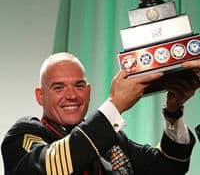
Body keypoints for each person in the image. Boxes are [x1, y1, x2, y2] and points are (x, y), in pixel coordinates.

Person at [1, 52, 200, 175]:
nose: (71, 95)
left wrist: (173, 112)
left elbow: (168, 168)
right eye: (58, 88)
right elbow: (51, 167)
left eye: (79, 86)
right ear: (40, 95)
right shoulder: (23, 134)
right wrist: (114, 105)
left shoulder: (111, 139)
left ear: (88, 91)